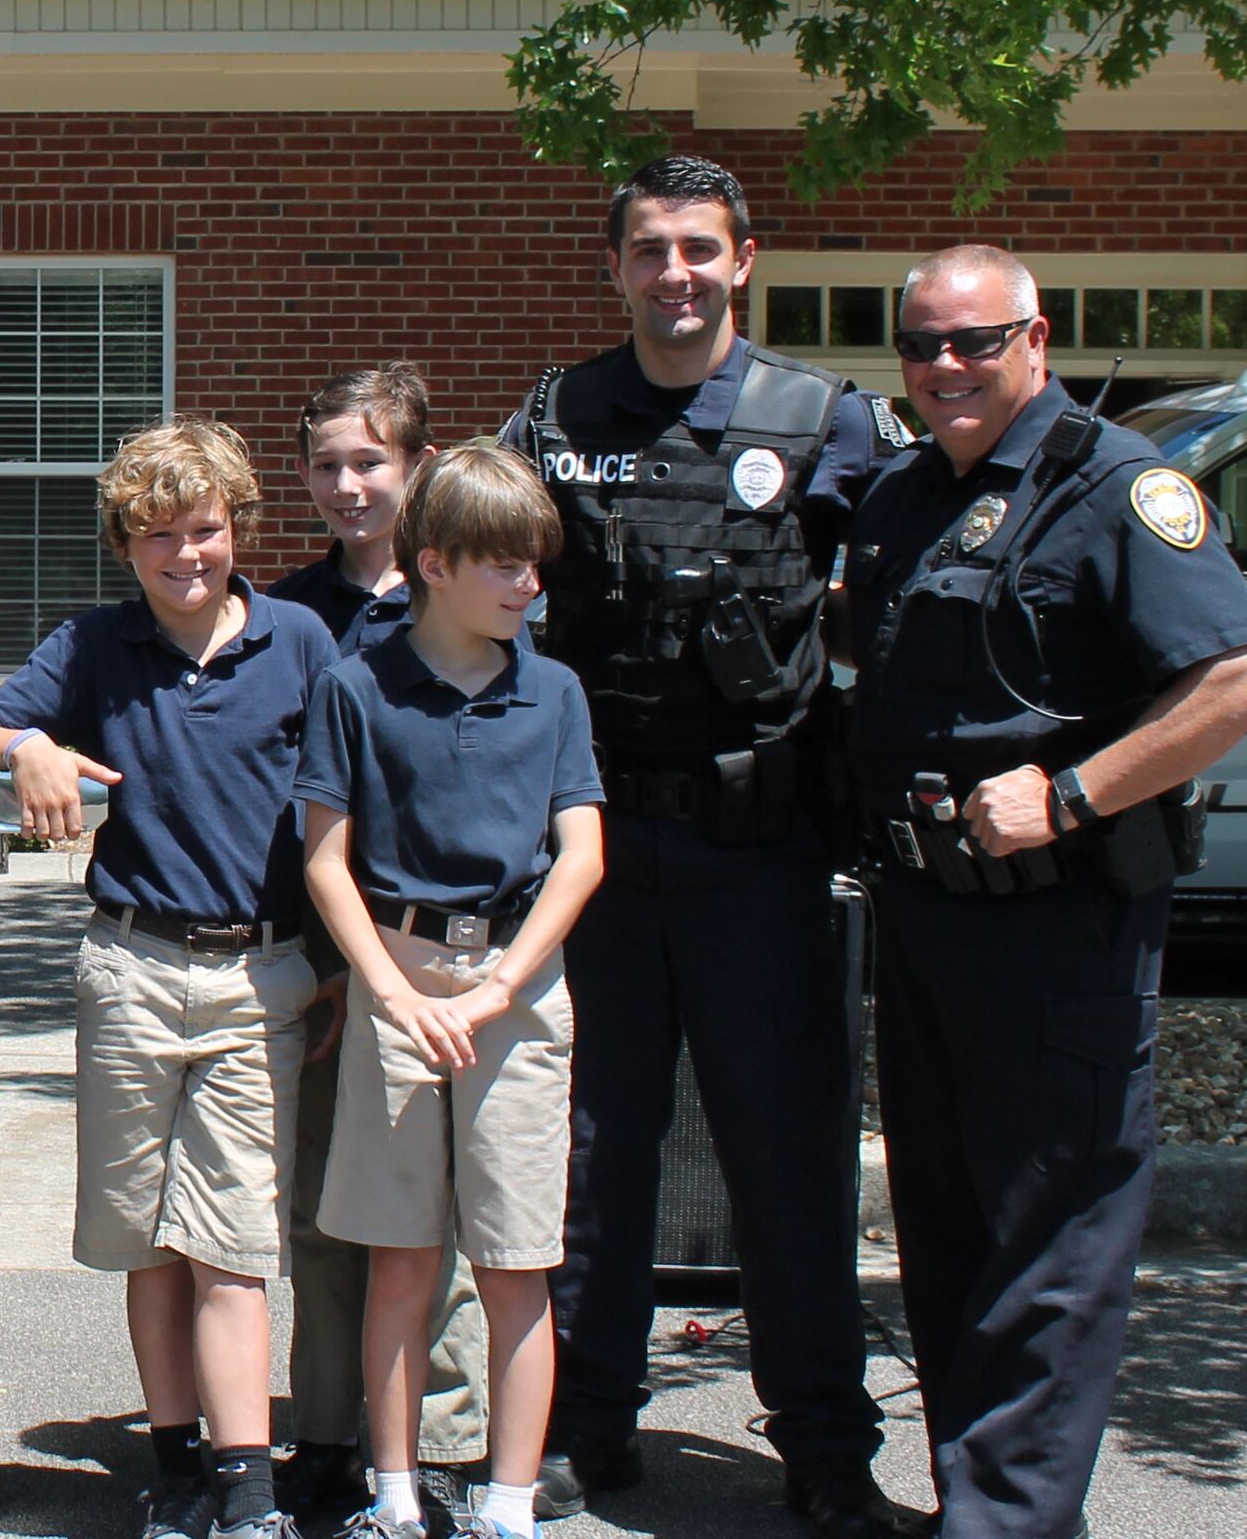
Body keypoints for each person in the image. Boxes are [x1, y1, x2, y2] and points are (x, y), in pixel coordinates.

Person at [499, 154, 921, 1538]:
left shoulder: (827, 420)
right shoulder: (557, 417)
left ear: (744, 260)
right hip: (597, 855)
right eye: (647, 250)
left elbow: (911, 605)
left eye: (699, 248)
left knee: (785, 1160)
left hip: (763, 856)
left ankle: (822, 1448)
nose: (673, 273)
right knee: (593, 1154)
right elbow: (470, 579)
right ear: (615, 266)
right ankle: (583, 1428)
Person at [837, 247, 1247, 1539]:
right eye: (923, 345)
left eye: (976, 342)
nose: (946, 369)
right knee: (950, 1234)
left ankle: (1006, 1522)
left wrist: (1076, 793)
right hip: (926, 919)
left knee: (1050, 1250)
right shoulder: (907, 494)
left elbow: (1241, 681)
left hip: (1062, 927)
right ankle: (993, 1506)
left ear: (1037, 338)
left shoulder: (1117, 488)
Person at [0, 419, 338, 1539]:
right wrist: (27, 748)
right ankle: (177, 1470)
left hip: (261, 974)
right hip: (131, 968)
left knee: (235, 1243)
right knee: (149, 1238)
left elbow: (348, 811)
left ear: (239, 527)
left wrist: (340, 969)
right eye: (158, 536)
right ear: (125, 543)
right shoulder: (95, 647)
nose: (185, 556)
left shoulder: (302, 644)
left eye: (205, 530)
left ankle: (249, 1489)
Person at [298, 442, 609, 1539]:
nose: (531, 586)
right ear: (433, 563)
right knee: (400, 1258)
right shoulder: (355, 688)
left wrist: (498, 990)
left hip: (517, 992)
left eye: (537, 567)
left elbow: (581, 856)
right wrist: (391, 991)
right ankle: (391, 1492)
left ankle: (510, 1502)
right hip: (396, 985)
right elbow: (326, 863)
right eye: (508, 567)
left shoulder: (556, 691)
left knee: (518, 1258)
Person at [268, 368, 498, 1522]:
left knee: (438, 1213)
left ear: (417, 466)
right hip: (330, 951)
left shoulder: (473, 596)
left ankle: (445, 1447)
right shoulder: (292, 615)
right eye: (326, 465)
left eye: (371, 462)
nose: (349, 485)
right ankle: (322, 1434)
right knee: (324, 1211)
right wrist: (316, 968)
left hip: (445, 959)